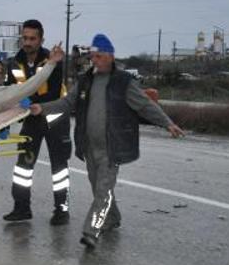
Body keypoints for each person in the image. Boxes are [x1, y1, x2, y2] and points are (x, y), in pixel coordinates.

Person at [30, 33, 184, 249]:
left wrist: (167, 123)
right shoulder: (85, 81)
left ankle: (92, 230)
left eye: (99, 56)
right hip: (90, 145)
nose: (95, 60)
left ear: (110, 56)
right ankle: (113, 217)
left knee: (102, 189)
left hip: (113, 146)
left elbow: (145, 105)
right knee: (99, 187)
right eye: (93, 56)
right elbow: (67, 103)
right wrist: (42, 108)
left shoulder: (123, 82)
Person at [3, 19, 72, 226]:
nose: (28, 42)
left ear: (41, 39)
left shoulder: (52, 60)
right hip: (31, 118)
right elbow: (9, 89)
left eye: (33, 38)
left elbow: (52, 93)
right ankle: (21, 208)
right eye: (25, 38)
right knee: (23, 166)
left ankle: (62, 210)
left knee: (59, 167)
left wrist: (28, 101)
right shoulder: (14, 62)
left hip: (54, 117)